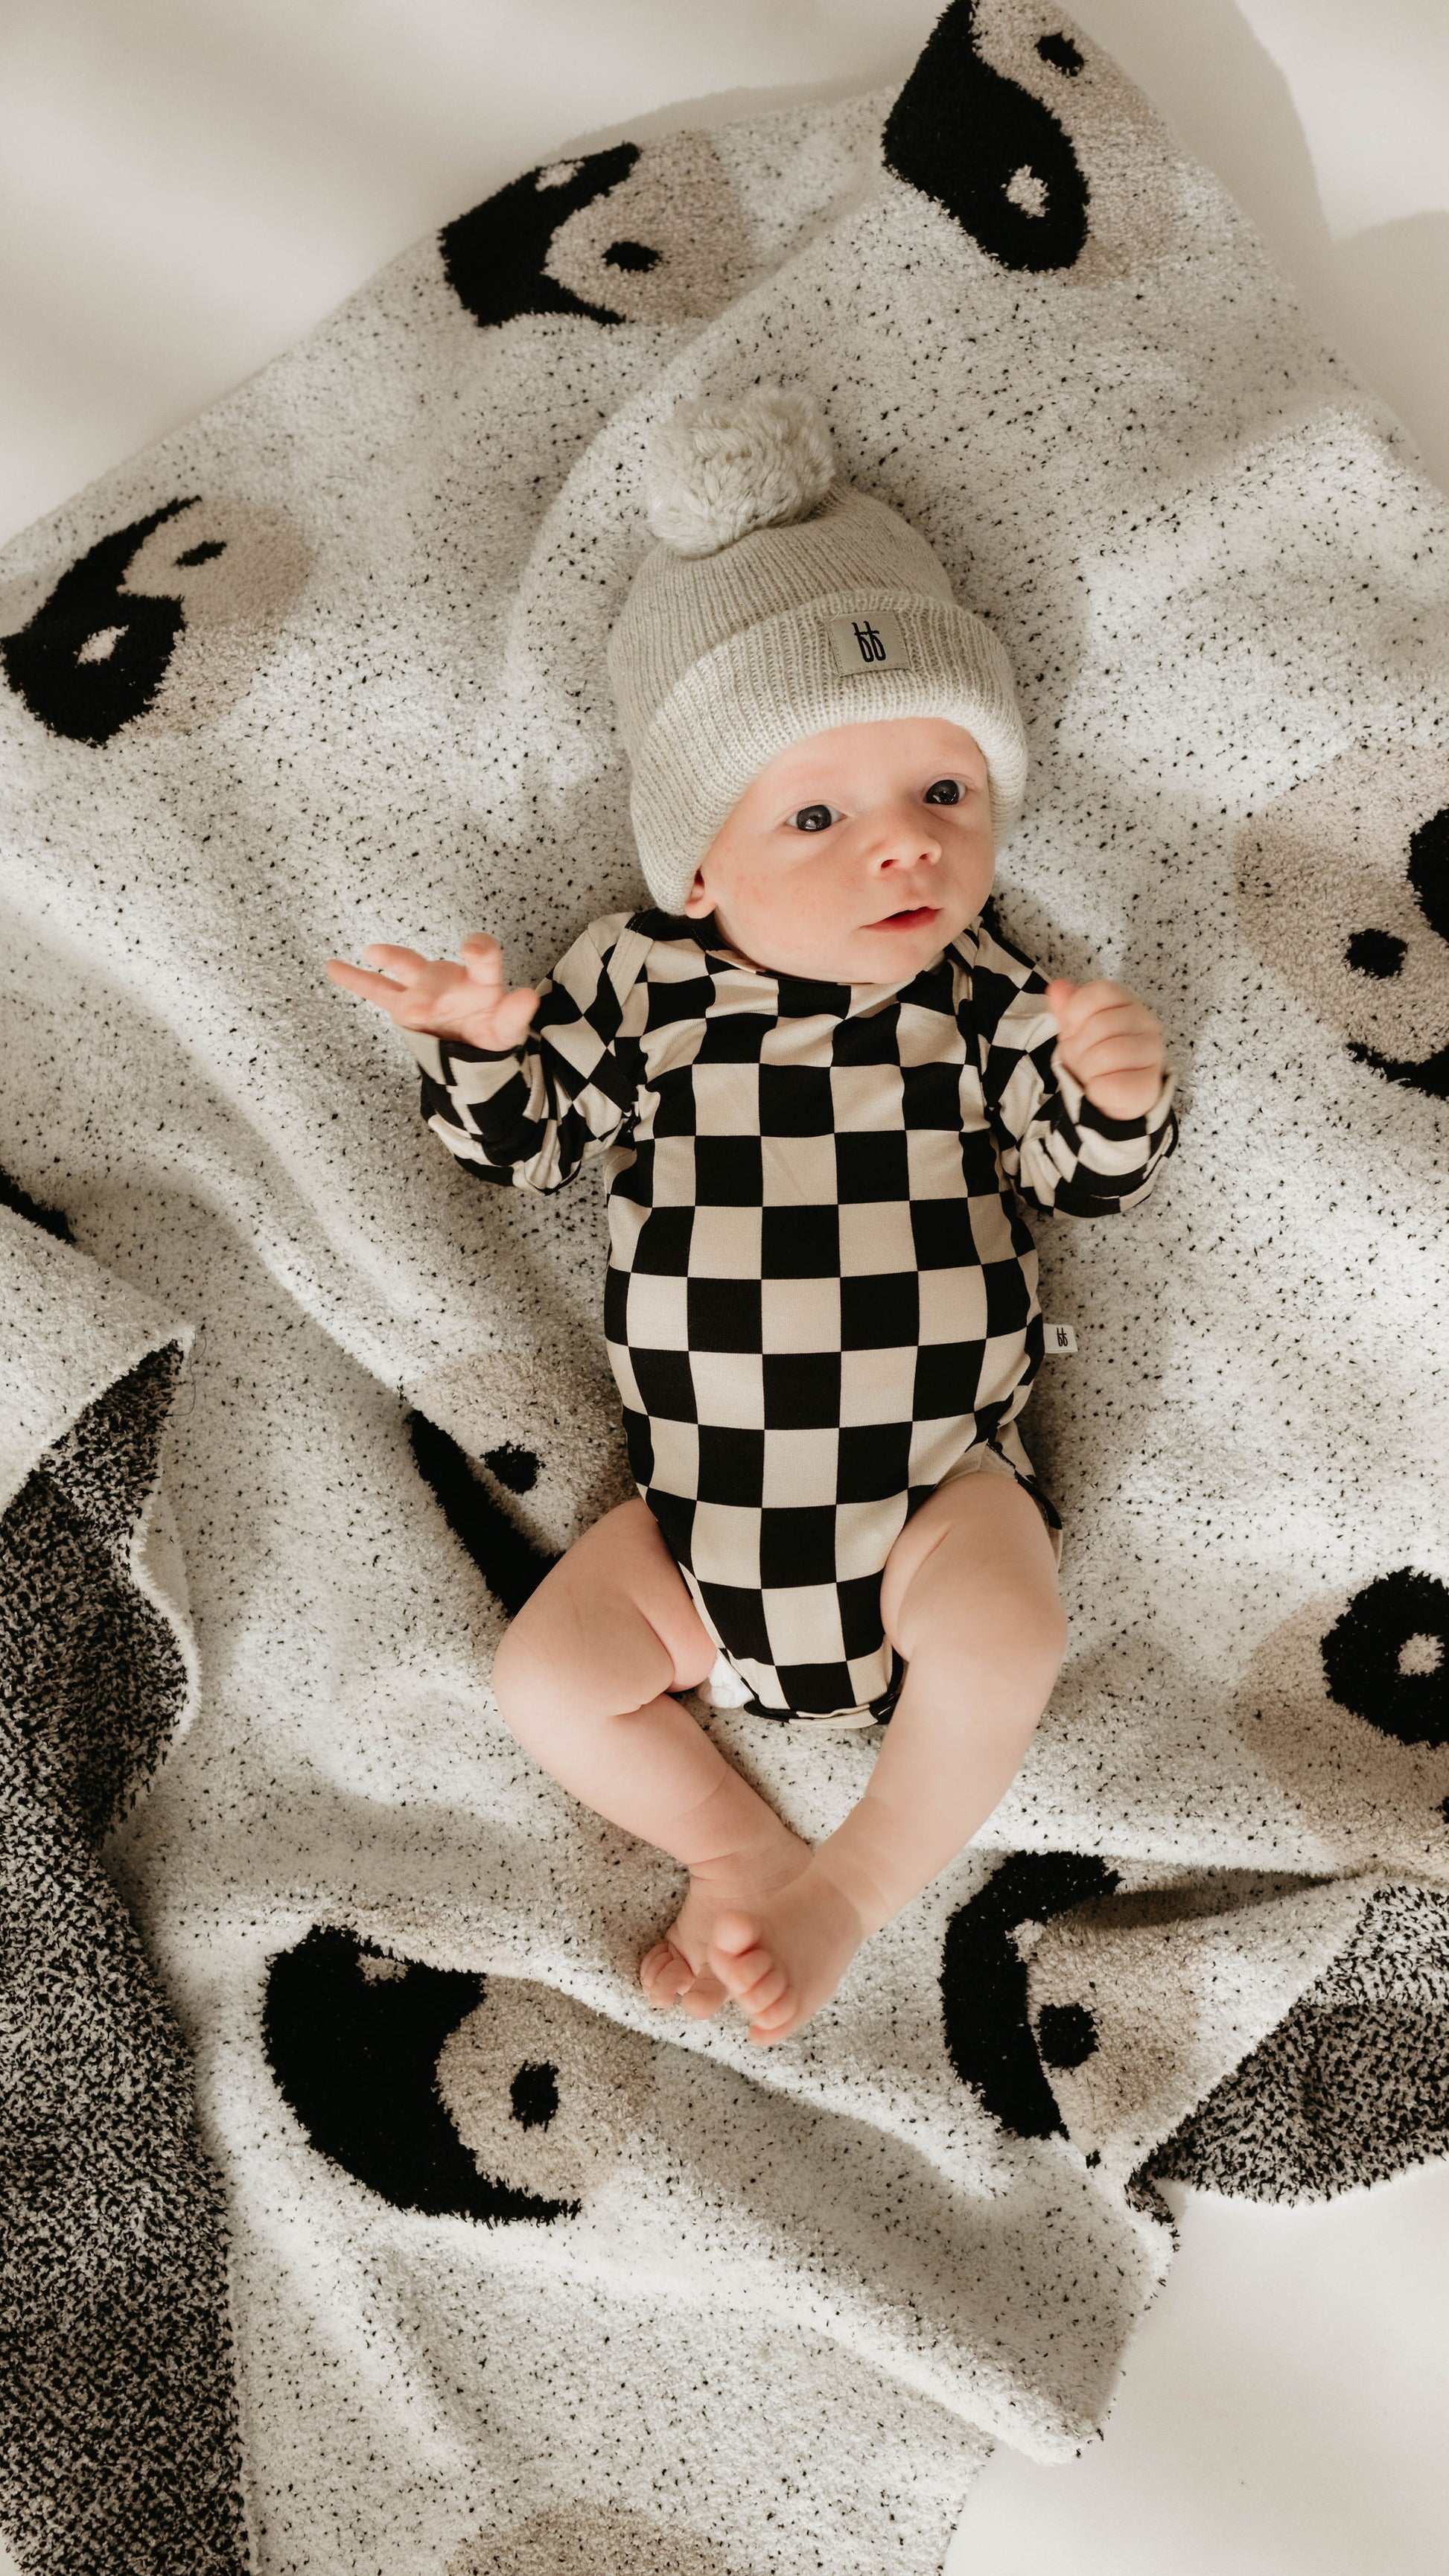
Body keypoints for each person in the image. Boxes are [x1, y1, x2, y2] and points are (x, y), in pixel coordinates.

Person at [328, 386, 1176, 2047]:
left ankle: (850, 1883)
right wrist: (482, 1045)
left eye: (943, 788)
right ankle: (732, 1843)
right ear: (695, 869)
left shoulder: (985, 995)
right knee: (547, 1679)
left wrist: (1117, 1091)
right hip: (695, 1535)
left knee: (1008, 1630)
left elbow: (1082, 1180)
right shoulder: (644, 986)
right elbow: (532, 1145)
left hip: (941, 1487)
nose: (900, 850)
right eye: (816, 814)